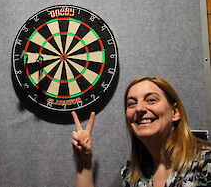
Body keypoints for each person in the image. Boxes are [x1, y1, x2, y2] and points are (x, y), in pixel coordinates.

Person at [71, 76, 211, 187]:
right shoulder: (130, 175)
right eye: (132, 103)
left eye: (151, 100)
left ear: (175, 112)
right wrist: (84, 162)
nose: (139, 109)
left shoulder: (205, 163)